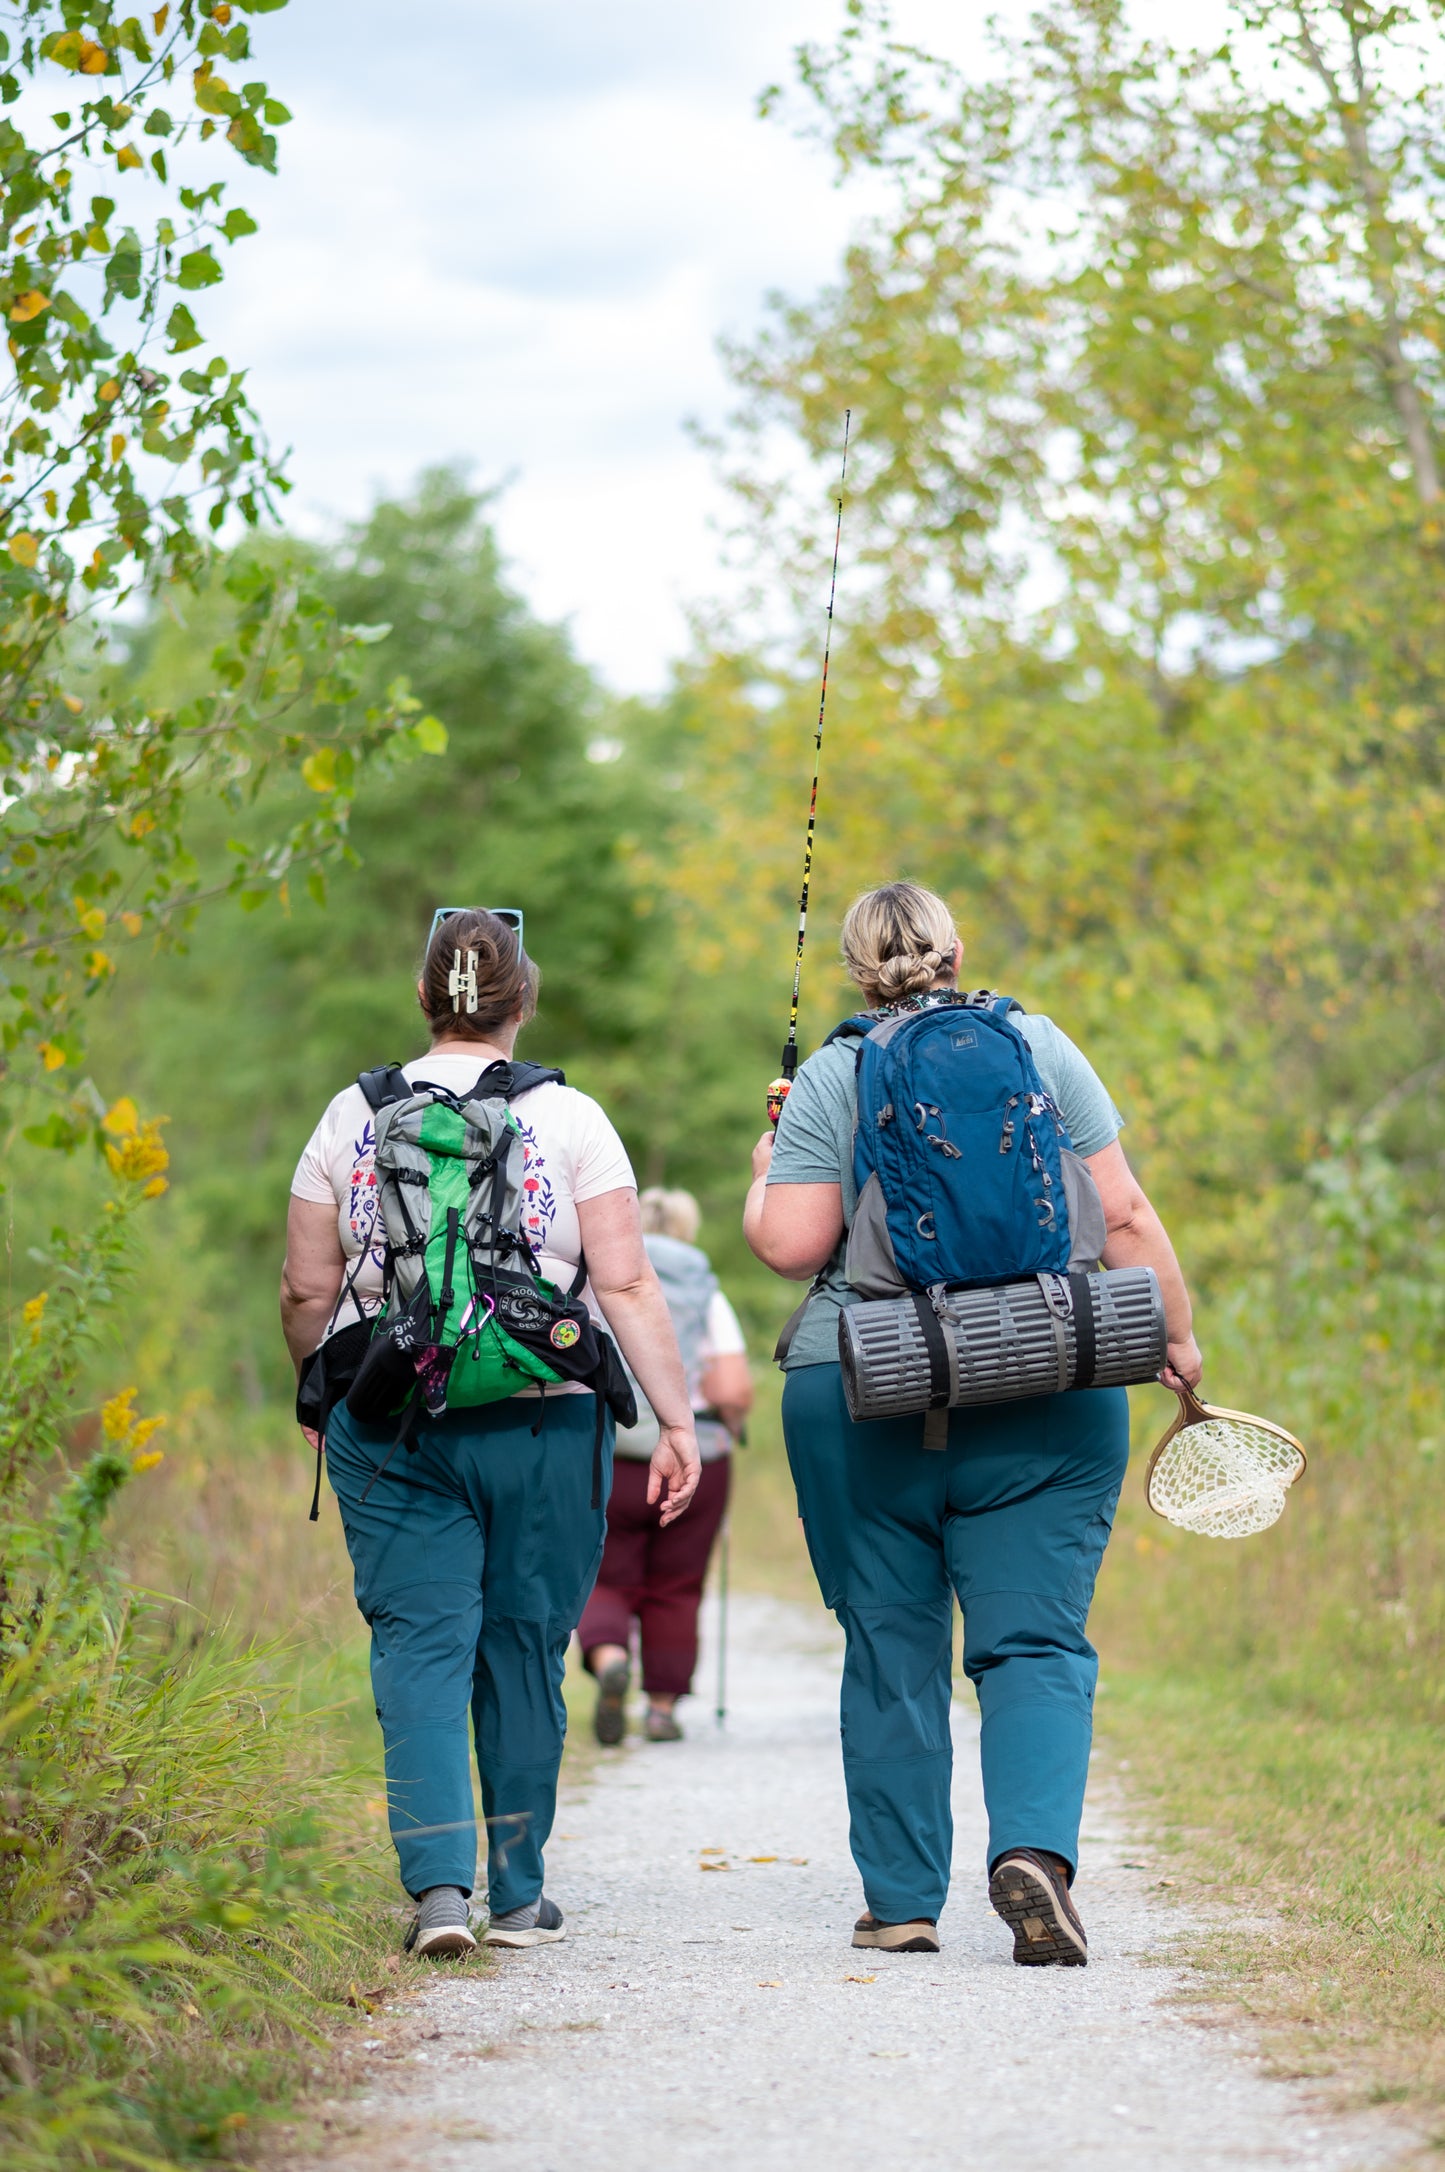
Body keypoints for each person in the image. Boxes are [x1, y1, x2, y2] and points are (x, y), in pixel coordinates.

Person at [744, 881, 1202, 1967]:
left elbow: (789, 1245)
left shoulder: (830, 1070)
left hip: (865, 1385)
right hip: (1047, 1370)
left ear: (858, 971)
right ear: (954, 953)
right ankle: (1034, 1855)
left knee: (890, 1644)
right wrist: (1174, 1342)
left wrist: (767, 1168)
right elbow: (1124, 1213)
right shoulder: (1036, 1045)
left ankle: (901, 1902)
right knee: (1035, 1641)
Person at [281, 909, 700, 1958]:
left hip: (388, 1420)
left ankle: (435, 1894)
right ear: (524, 1001)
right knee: (523, 1645)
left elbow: (303, 1286)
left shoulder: (349, 1115)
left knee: (420, 1648)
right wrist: (676, 1418)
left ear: (423, 998)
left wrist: (316, 1391)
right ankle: (516, 1894)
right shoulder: (571, 1119)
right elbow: (627, 1279)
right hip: (544, 1421)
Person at [578, 1187, 752, 1744]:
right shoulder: (706, 1291)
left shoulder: (594, 1279)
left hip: (611, 1452)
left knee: (606, 1573)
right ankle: (660, 1709)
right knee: (677, 1584)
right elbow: (731, 1386)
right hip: (694, 1455)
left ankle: (608, 1661)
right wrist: (732, 1419)